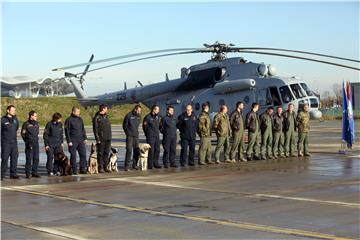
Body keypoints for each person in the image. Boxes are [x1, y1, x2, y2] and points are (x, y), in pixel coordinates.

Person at [65, 107, 87, 174]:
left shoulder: (80, 119)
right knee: (73, 156)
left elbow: (83, 129)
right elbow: (67, 131)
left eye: (79, 112)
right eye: (77, 112)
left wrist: (85, 138)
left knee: (83, 154)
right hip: (73, 140)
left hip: (80, 139)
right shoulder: (68, 120)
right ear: (73, 112)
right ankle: (74, 170)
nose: (79, 113)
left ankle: (82, 168)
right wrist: (69, 141)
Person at [1, 105, 20, 180]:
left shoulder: (15, 119)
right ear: (8, 111)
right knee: (5, 158)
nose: (14, 112)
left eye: (14, 110)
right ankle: (2, 174)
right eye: (12, 110)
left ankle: (13, 174)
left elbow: (16, 127)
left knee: (14, 158)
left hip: (14, 143)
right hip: (6, 143)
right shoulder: (3, 119)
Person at [93, 104, 112, 172]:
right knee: (100, 153)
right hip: (101, 138)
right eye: (106, 108)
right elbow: (95, 129)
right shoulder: (97, 117)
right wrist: (97, 139)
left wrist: (110, 136)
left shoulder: (106, 117)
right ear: (103, 109)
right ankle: (100, 167)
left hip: (108, 137)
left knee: (106, 153)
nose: (107, 110)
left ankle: (105, 166)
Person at [21, 111, 40, 178]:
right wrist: (27, 142)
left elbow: (37, 133)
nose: (36, 117)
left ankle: (34, 172)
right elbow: (23, 134)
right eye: (35, 116)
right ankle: (28, 173)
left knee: (36, 158)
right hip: (29, 143)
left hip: (36, 143)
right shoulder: (26, 124)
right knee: (29, 159)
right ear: (31, 116)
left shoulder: (37, 123)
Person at [123, 105, 141, 171]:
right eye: (138, 110)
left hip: (136, 136)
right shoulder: (129, 115)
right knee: (129, 150)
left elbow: (138, 124)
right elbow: (124, 125)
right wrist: (128, 133)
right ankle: (126, 166)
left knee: (136, 150)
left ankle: (135, 165)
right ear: (135, 109)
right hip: (130, 136)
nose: (139, 112)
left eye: (140, 111)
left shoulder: (139, 116)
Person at [143, 105, 162, 169]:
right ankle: (150, 164)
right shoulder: (147, 117)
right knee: (151, 150)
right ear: (153, 110)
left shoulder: (158, 117)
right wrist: (147, 134)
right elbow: (144, 127)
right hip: (150, 136)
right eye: (157, 110)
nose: (158, 111)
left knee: (157, 150)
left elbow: (160, 125)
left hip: (157, 135)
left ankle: (155, 163)